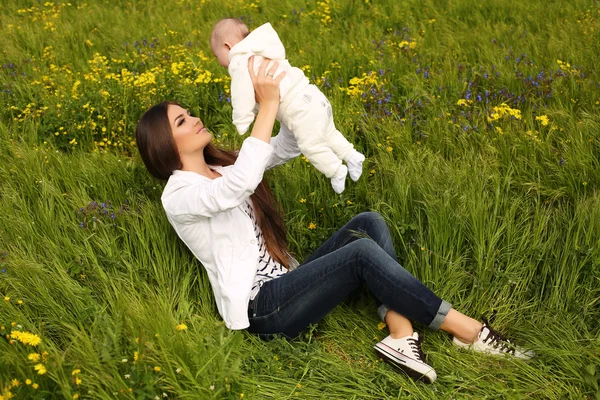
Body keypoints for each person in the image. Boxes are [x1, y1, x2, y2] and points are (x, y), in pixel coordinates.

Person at [135, 57, 533, 384]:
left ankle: (400, 335)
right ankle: (468, 331)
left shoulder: (222, 167)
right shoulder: (180, 195)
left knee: (369, 222)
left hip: (288, 280)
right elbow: (239, 186)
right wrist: (267, 107)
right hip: (264, 309)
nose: (194, 118)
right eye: (181, 121)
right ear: (164, 144)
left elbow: (288, 146)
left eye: (188, 113)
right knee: (360, 253)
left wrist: (295, 99)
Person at [209, 18, 365, 194]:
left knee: (310, 145)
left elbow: (241, 94)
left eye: (216, 55)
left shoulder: (240, 61)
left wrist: (242, 119)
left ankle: (336, 170)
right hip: (312, 95)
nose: (219, 62)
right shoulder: (263, 48)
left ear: (228, 46)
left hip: (300, 110)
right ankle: (352, 156)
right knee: (328, 132)